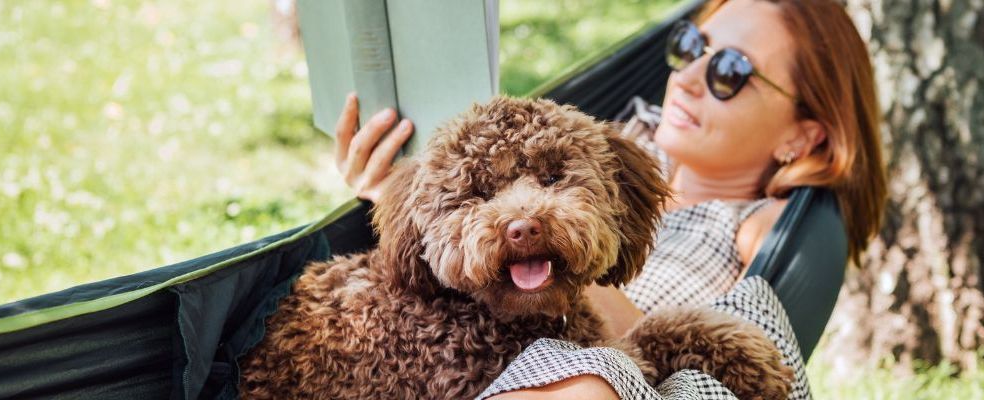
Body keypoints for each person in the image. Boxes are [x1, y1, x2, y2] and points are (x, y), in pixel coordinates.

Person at [332, 0, 885, 398]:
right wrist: (409, 194)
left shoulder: (765, 224)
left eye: (730, 72)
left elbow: (747, 345)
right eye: (691, 46)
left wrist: (564, 258)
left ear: (802, 137)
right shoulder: (617, 138)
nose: (688, 78)